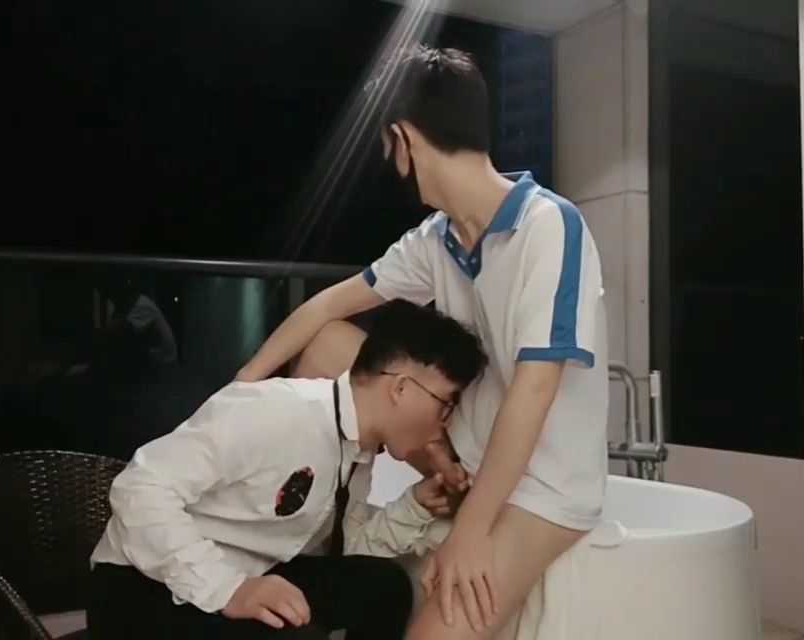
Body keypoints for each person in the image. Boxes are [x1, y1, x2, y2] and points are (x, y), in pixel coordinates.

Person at [236, 45, 608, 640]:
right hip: (467, 456)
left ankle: (424, 511)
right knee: (330, 344)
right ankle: (310, 521)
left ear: (404, 137)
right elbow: (326, 308)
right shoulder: (438, 238)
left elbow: (535, 391)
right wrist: (240, 389)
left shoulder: (549, 227)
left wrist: (471, 533)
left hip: (544, 486)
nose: (392, 165)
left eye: (388, 147)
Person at [87, 299, 489, 640]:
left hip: (249, 571)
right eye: (445, 405)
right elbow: (139, 488)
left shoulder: (356, 451)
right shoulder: (277, 411)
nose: (443, 425)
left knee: (383, 586)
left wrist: (414, 507)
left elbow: (346, 552)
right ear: (401, 388)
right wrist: (229, 589)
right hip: (141, 587)